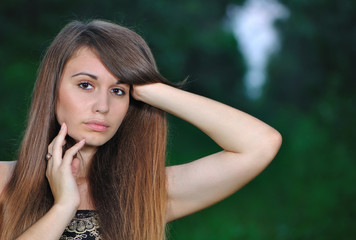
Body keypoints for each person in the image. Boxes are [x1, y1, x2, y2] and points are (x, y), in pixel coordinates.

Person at [0, 20, 282, 240]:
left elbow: (261, 143)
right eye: (86, 85)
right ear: (53, 90)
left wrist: (149, 87)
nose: (103, 106)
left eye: (118, 91)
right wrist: (63, 207)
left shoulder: (143, 192)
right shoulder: (4, 182)